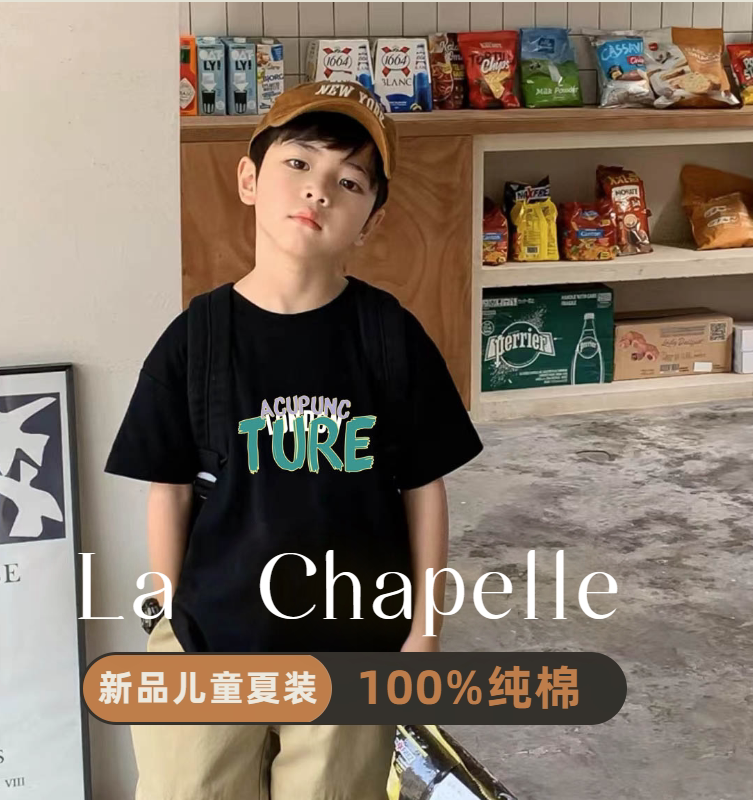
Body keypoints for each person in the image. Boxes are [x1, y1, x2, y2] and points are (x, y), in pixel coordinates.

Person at [104, 80, 483, 800]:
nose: (319, 191)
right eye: (299, 163)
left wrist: (424, 633)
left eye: (349, 181)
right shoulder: (197, 338)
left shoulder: (389, 336)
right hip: (209, 643)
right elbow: (169, 488)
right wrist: (170, 613)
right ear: (249, 178)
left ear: (371, 221)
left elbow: (423, 487)